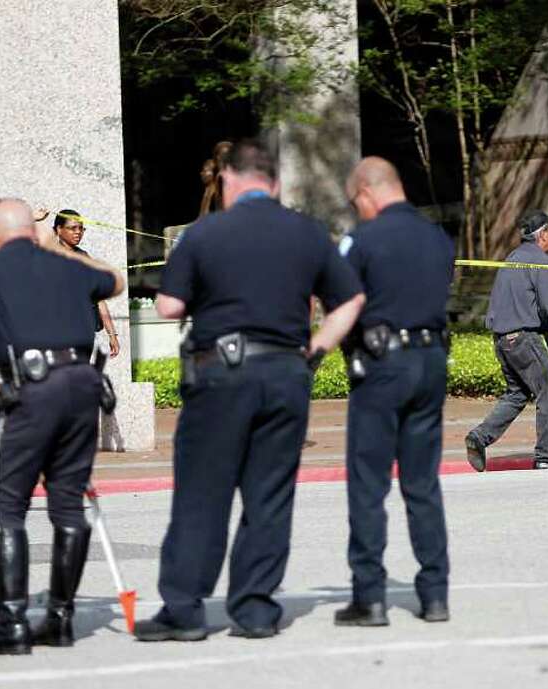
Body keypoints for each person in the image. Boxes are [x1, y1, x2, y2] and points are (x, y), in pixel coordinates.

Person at [135, 138, 365, 642]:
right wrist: (316, 352)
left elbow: (169, 307)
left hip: (220, 374)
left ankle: (185, 611)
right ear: (274, 184)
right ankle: (255, 608)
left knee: (202, 495)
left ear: (228, 180)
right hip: (286, 374)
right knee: (270, 495)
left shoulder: (205, 233)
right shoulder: (307, 232)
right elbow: (350, 300)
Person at [0, 198, 125, 656]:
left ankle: (12, 623)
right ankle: (59, 619)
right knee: (67, 504)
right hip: (84, 386)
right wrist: (56, 248)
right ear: (35, 231)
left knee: (7, 506)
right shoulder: (68, 265)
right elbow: (115, 281)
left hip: (30, 389)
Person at [334, 157, 456, 627]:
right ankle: (434, 595)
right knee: (422, 483)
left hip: (382, 365)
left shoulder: (361, 239)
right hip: (431, 361)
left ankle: (370, 597)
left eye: (354, 202)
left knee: (369, 483)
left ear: (366, 191)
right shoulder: (436, 237)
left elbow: (340, 297)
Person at [464, 210, 548, 472]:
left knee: (517, 394)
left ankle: (479, 437)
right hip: (522, 338)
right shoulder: (537, 259)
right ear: (543, 234)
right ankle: (546, 457)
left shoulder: (513, 259)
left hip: (502, 340)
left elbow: (522, 303)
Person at [50, 209, 121, 358]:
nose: (78, 232)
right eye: (72, 228)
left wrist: (112, 334)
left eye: (81, 228)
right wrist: (34, 218)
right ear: (59, 229)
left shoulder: (84, 257)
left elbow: (99, 299)